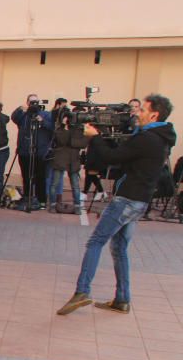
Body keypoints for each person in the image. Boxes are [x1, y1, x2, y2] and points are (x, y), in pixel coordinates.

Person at [57, 94, 176, 316]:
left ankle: (82, 292)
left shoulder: (147, 139)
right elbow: (126, 153)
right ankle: (122, 299)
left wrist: (95, 137)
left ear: (154, 114)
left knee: (95, 242)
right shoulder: (159, 137)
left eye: (142, 110)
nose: (136, 114)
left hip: (127, 199)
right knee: (119, 248)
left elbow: (112, 158)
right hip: (139, 200)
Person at [11, 94, 54, 210]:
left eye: (36, 102)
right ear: (28, 102)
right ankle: (28, 197)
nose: (34, 104)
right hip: (25, 151)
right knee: (26, 176)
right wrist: (21, 108)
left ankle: (42, 200)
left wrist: (42, 121)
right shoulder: (24, 115)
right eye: (31, 102)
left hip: (40, 152)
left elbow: (52, 128)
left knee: (41, 177)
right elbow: (14, 118)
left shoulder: (45, 114)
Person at [48, 109, 85, 213]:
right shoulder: (59, 129)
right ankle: (52, 205)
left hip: (73, 160)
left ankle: (77, 206)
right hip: (60, 159)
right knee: (54, 184)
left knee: (75, 185)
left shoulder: (79, 129)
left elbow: (83, 143)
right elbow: (61, 140)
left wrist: (71, 137)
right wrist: (65, 128)